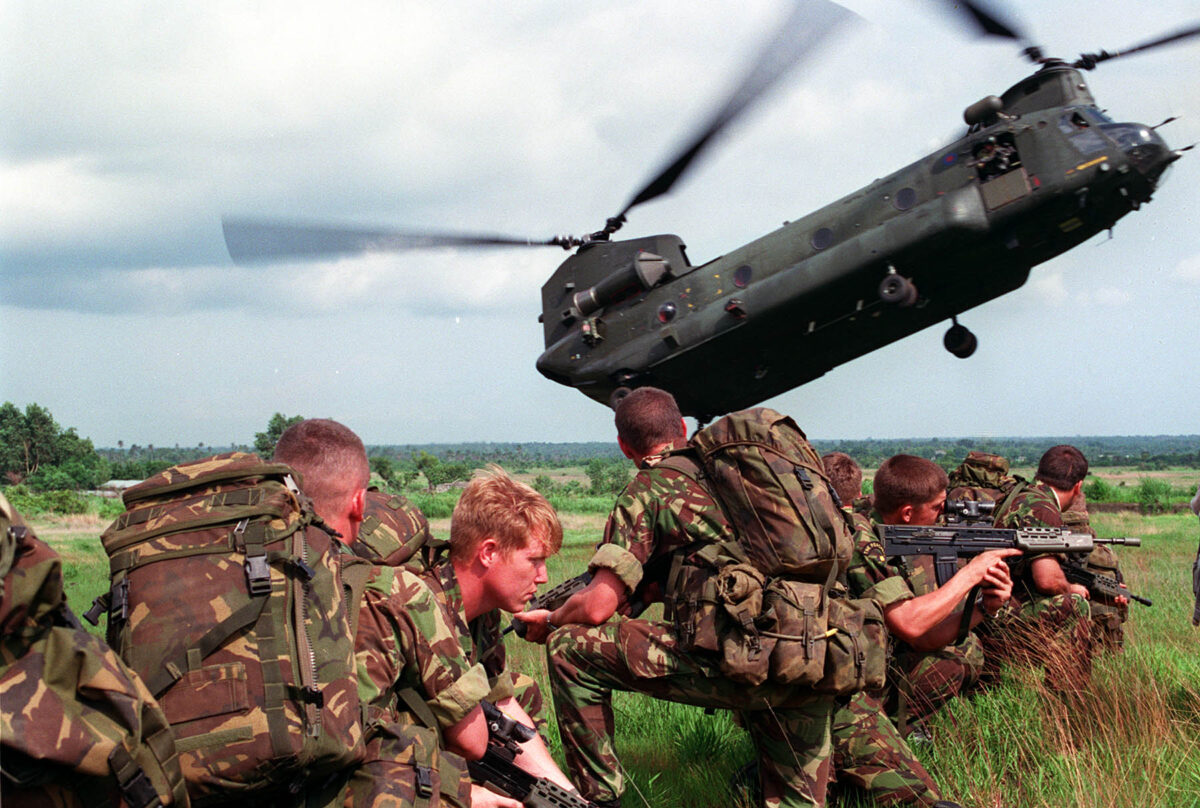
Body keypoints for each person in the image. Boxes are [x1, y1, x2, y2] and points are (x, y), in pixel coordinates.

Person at [517, 388, 862, 808]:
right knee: (797, 801)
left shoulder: (651, 487)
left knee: (569, 649)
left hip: (738, 662)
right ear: (682, 429)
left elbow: (596, 606)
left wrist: (552, 620)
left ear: (624, 446)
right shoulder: (749, 479)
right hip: (812, 655)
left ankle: (598, 798)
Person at [352, 466, 581, 808]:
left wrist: (569, 797)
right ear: (488, 553)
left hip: (421, 759)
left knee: (522, 690)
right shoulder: (415, 607)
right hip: (374, 765)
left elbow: (502, 701)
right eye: (534, 560)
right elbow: (369, 733)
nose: (544, 576)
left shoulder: (483, 612)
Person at [831, 455, 1014, 806]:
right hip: (832, 691)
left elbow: (924, 637)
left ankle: (890, 737)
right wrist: (970, 574)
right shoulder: (857, 535)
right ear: (907, 514)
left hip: (854, 671)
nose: (944, 515)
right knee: (919, 798)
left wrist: (984, 607)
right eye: (937, 507)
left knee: (958, 656)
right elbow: (910, 624)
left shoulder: (877, 526)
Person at [983, 444, 1096, 689]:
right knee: (1074, 606)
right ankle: (1066, 697)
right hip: (996, 615)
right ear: (1078, 487)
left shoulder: (1018, 496)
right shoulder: (1043, 508)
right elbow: (1047, 581)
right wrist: (1071, 588)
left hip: (984, 604)